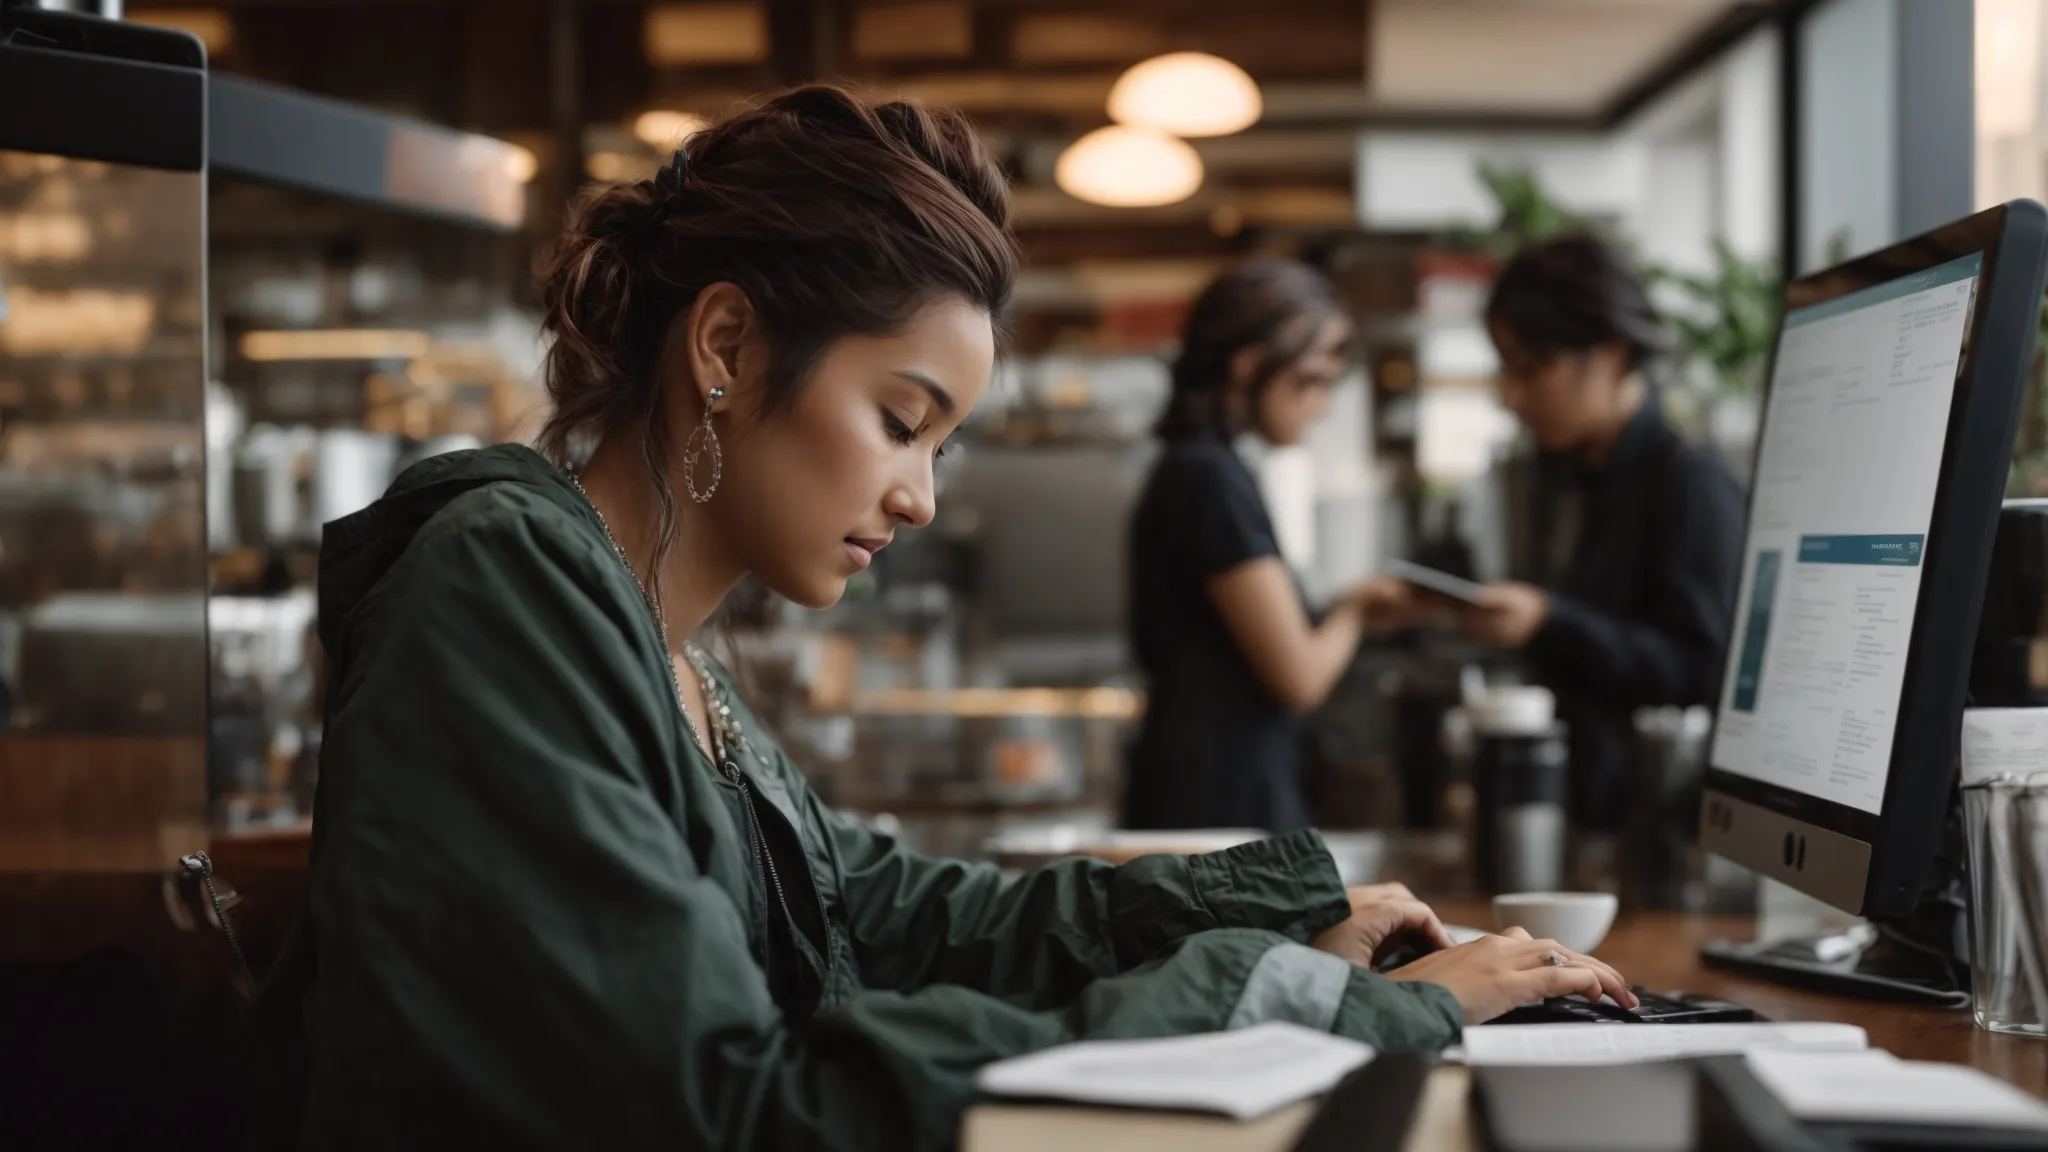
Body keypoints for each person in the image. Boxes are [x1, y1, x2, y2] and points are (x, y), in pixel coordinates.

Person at [247, 89, 1634, 1151]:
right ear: (725, 347)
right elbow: (729, 1109)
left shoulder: (650, 640)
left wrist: (1281, 917)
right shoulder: (507, 592)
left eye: (942, 447)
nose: (916, 497)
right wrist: (1289, 996)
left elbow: (885, 912)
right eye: (901, 422)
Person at [1460, 233, 1746, 830]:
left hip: (1654, 827)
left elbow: (1704, 670)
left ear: (1611, 354)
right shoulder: (1567, 474)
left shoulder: (1688, 480)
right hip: (1583, 812)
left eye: (1531, 368)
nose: (1512, 396)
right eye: (1506, 369)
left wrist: (1549, 620)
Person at [1123, 260, 1413, 833]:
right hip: (1221, 810)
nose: (1323, 405)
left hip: (1205, 797)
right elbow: (1298, 676)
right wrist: (1355, 609)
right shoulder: (1210, 478)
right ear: (1249, 365)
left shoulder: (1200, 468)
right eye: (1314, 381)